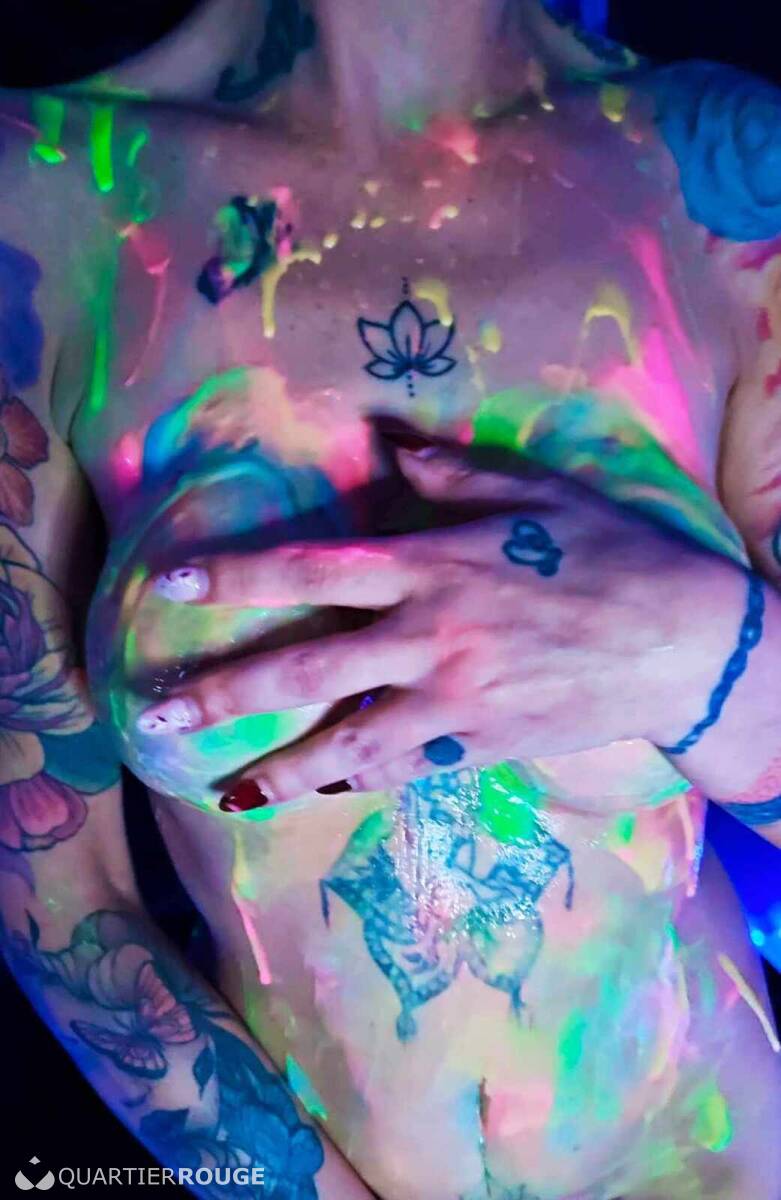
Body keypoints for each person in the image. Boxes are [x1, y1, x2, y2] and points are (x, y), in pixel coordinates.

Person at [0, 2, 779, 1197]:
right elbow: (56, 894)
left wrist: (699, 650)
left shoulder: (719, 177)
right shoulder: (47, 195)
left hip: (717, 1148)